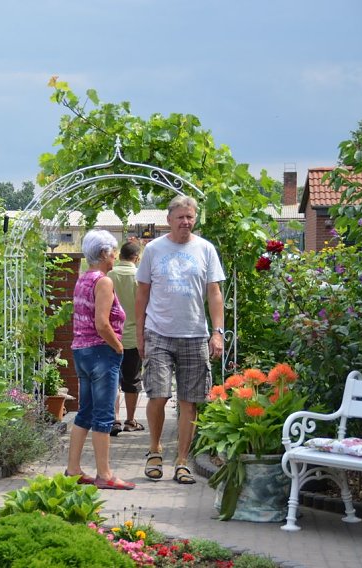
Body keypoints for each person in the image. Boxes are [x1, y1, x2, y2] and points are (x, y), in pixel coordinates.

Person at [136, 195, 225, 485]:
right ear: (169, 220)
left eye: (190, 217)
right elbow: (142, 293)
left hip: (194, 334)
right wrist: (139, 332)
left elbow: (214, 293)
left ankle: (183, 461)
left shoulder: (205, 249)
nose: (186, 222)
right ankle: (154, 450)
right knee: (158, 395)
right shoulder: (153, 249)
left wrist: (217, 332)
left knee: (190, 402)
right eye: (180, 217)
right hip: (159, 332)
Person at [64, 229, 135, 490]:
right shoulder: (103, 281)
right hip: (100, 352)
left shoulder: (83, 279)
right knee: (104, 416)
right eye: (113, 251)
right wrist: (118, 347)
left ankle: (72, 469)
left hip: (81, 351)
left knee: (86, 411)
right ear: (104, 253)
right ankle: (104, 474)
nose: (115, 255)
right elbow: (103, 324)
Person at [107, 240, 143, 436]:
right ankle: (130, 420)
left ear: (120, 255)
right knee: (132, 379)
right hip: (133, 336)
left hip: (110, 335)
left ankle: (114, 419)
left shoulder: (108, 275)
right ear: (136, 257)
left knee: (113, 377)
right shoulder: (139, 276)